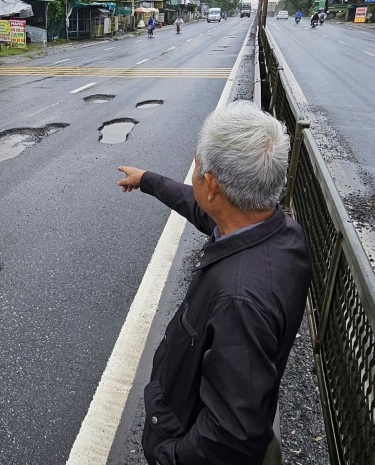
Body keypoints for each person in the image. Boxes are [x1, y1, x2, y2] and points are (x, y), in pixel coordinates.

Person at [117, 101, 312, 465]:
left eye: (197, 167)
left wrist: (166, 455)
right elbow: (203, 210)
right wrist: (148, 180)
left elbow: (231, 438)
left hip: (183, 434)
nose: (194, 174)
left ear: (212, 186)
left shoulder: (239, 301)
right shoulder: (278, 231)